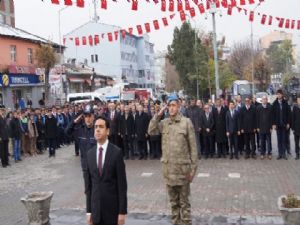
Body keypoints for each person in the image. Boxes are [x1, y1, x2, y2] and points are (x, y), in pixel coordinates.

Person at [148, 93, 198, 225]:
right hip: (169, 172)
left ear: (179, 106)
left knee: (185, 207)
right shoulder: (164, 123)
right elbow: (151, 130)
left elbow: (193, 149)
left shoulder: (186, 123)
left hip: (183, 173)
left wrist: (193, 171)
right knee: (174, 207)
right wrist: (159, 113)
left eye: (173, 105)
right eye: (169, 105)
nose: (171, 108)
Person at [86, 116, 127, 225]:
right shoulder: (89, 154)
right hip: (96, 211)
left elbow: (122, 186)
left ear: (108, 131)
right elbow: (88, 186)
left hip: (112, 211)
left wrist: (122, 212)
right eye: (95, 127)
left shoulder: (116, 153)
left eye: (101, 127)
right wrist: (89, 211)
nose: (97, 129)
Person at [65, 105, 96, 195]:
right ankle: (89, 209)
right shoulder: (80, 130)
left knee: (97, 189)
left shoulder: (98, 129)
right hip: (86, 166)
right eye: (86, 116)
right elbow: (67, 132)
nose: (88, 119)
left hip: (96, 166)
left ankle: (97, 208)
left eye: (90, 116)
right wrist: (74, 122)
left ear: (93, 116)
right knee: (88, 190)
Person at [272, 90, 291, 160]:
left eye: (280, 94)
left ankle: (284, 154)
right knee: (279, 140)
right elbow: (272, 115)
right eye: (278, 94)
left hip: (284, 125)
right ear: (277, 95)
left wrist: (288, 123)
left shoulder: (285, 103)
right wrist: (273, 124)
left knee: (284, 140)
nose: (279, 95)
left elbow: (289, 114)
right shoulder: (274, 103)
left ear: (282, 95)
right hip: (277, 125)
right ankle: (280, 154)